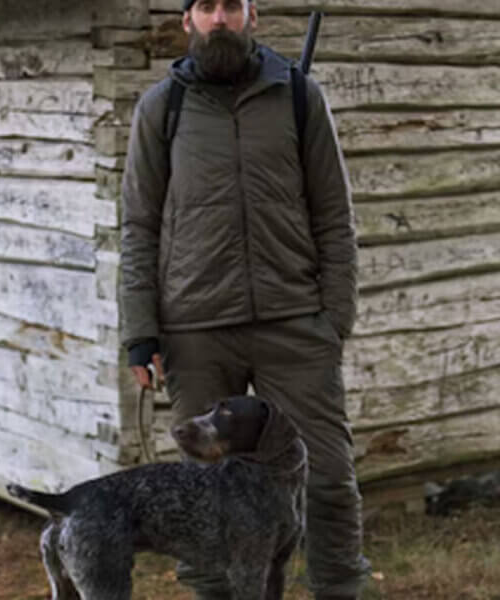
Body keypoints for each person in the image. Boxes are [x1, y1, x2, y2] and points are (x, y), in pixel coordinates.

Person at [119, 0, 372, 598]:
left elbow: (334, 215)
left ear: (251, 14)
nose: (219, 18)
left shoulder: (299, 96)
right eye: (206, 7)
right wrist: (141, 331)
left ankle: (340, 590)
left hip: (294, 324)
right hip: (196, 329)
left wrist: (334, 317)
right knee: (202, 494)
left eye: (231, 5)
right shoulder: (162, 108)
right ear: (187, 21)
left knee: (328, 477)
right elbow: (139, 225)